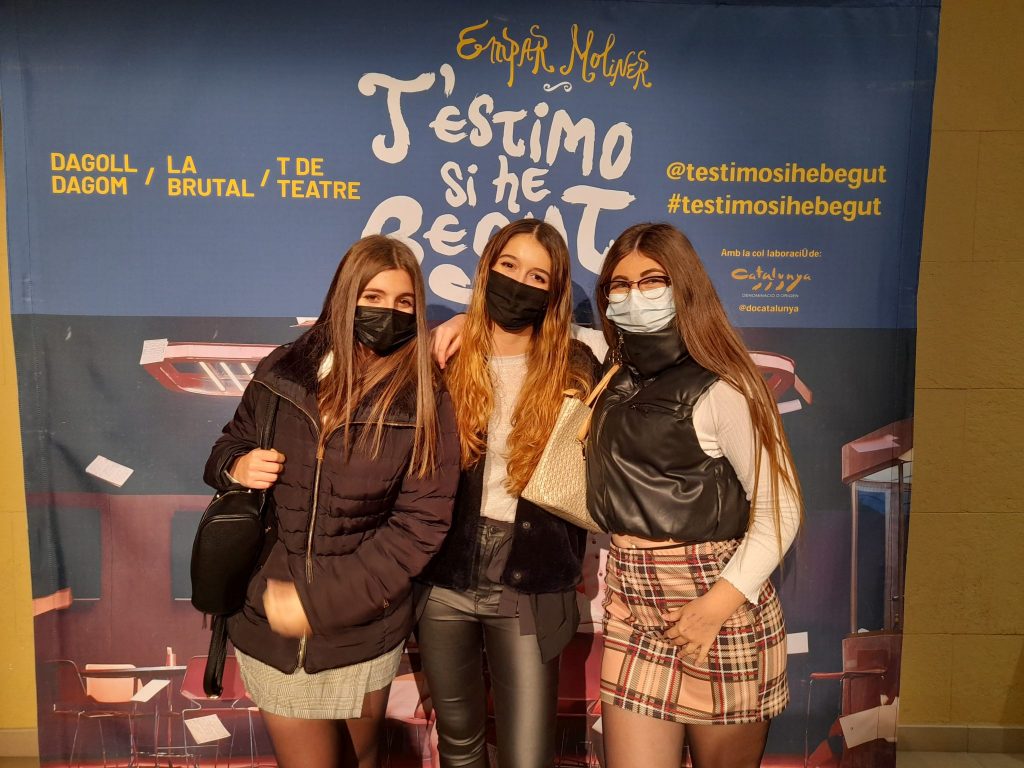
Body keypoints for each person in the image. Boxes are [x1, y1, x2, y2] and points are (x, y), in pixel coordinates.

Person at [203, 234, 460, 768]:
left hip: (362, 629)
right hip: (271, 625)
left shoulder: (425, 397)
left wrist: (318, 603)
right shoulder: (281, 372)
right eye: (373, 297)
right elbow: (227, 445)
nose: (388, 312)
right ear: (345, 297)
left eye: (404, 302)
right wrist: (236, 465)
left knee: (361, 760)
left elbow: (420, 526)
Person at [586, 223, 802, 768]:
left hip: (716, 605)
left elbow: (780, 510)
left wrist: (715, 607)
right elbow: (537, 340)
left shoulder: (726, 386)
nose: (634, 296)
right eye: (619, 285)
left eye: (652, 281)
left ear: (683, 287)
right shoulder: (613, 374)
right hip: (632, 607)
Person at [416, 218, 601, 768]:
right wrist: (462, 322)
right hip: (444, 577)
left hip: (530, 581)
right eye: (509, 266)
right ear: (487, 269)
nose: (519, 283)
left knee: (527, 756)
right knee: (460, 746)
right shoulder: (444, 358)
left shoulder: (576, 365)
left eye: (537, 276)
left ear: (554, 292)